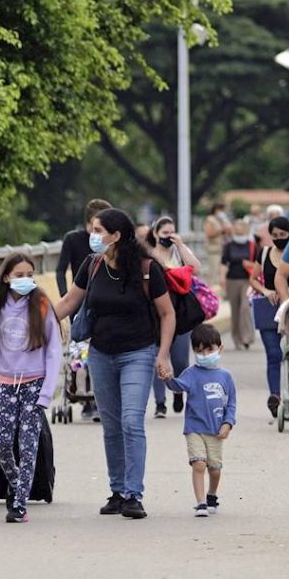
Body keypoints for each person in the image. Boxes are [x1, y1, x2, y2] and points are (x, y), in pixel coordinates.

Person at [54, 208, 175, 520]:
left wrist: (162, 355)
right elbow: (69, 302)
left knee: (132, 421)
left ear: (116, 235)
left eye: (98, 230)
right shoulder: (92, 265)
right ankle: (118, 490)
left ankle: (134, 494)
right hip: (101, 353)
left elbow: (167, 313)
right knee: (111, 425)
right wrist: (29, 321)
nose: (92, 236)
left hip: (138, 352)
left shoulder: (147, 268)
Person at [0, 253, 62, 523]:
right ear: (7, 277)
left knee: (27, 446)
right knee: (1, 443)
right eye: (19, 274)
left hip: (34, 386)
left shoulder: (43, 305)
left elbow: (54, 350)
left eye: (29, 274)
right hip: (5, 385)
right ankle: (15, 483)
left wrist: (47, 391)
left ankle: (20, 504)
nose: (25, 280)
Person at [161, 324, 236, 518]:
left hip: (216, 430)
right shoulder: (191, 373)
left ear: (220, 348)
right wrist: (168, 379)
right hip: (194, 428)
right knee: (199, 464)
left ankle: (212, 495)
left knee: (215, 469)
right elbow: (178, 386)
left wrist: (228, 424)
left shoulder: (225, 377)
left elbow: (231, 404)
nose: (204, 354)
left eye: (209, 350)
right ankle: (201, 503)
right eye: (199, 351)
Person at [55, 198, 110, 420]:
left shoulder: (112, 244)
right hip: (79, 301)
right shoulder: (73, 240)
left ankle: (100, 399)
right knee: (80, 354)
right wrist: (66, 299)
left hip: (104, 301)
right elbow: (61, 270)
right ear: (88, 224)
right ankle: (85, 395)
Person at [145, 216, 202, 419]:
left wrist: (181, 245)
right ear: (155, 234)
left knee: (179, 360)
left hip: (180, 313)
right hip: (155, 313)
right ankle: (160, 403)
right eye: (165, 233)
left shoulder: (179, 253)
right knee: (158, 358)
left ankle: (178, 390)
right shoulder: (150, 256)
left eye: (172, 233)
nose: (168, 237)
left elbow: (197, 268)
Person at [248, 215, 289, 419]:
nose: (278, 238)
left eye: (282, 235)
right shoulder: (264, 252)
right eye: (274, 235)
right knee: (273, 354)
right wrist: (266, 291)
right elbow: (253, 278)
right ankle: (275, 396)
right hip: (270, 307)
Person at [221, 219, 256, 350]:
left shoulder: (252, 246)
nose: (239, 234)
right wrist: (222, 278)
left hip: (248, 280)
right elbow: (223, 263)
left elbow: (259, 265)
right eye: (237, 231)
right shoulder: (228, 246)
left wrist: (250, 265)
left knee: (245, 307)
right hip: (232, 280)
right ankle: (237, 339)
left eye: (242, 232)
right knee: (235, 310)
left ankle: (247, 337)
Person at [202, 202, 230, 285]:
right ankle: (211, 291)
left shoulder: (220, 220)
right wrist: (220, 230)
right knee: (213, 272)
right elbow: (209, 233)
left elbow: (228, 231)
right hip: (213, 250)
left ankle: (219, 291)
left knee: (220, 273)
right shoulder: (210, 219)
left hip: (221, 249)